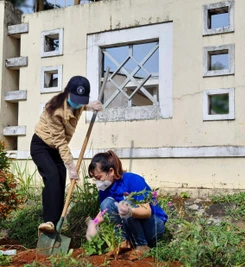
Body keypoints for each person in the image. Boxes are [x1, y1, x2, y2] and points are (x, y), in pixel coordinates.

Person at [31, 76, 103, 233]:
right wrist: (72, 167)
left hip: (56, 150)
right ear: (67, 92)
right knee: (52, 177)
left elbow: (82, 106)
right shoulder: (54, 109)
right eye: (75, 98)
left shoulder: (79, 103)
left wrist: (92, 106)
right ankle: (48, 221)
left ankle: (53, 226)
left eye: (81, 99)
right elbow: (60, 142)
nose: (77, 103)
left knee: (60, 181)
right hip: (41, 146)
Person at [85, 150, 168, 252]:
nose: (98, 182)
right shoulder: (105, 189)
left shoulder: (133, 180)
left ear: (111, 171)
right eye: (95, 179)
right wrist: (94, 222)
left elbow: (147, 212)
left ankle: (142, 247)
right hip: (133, 230)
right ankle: (123, 242)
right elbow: (105, 211)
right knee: (106, 203)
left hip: (153, 227)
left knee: (126, 204)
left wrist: (130, 211)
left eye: (99, 177)